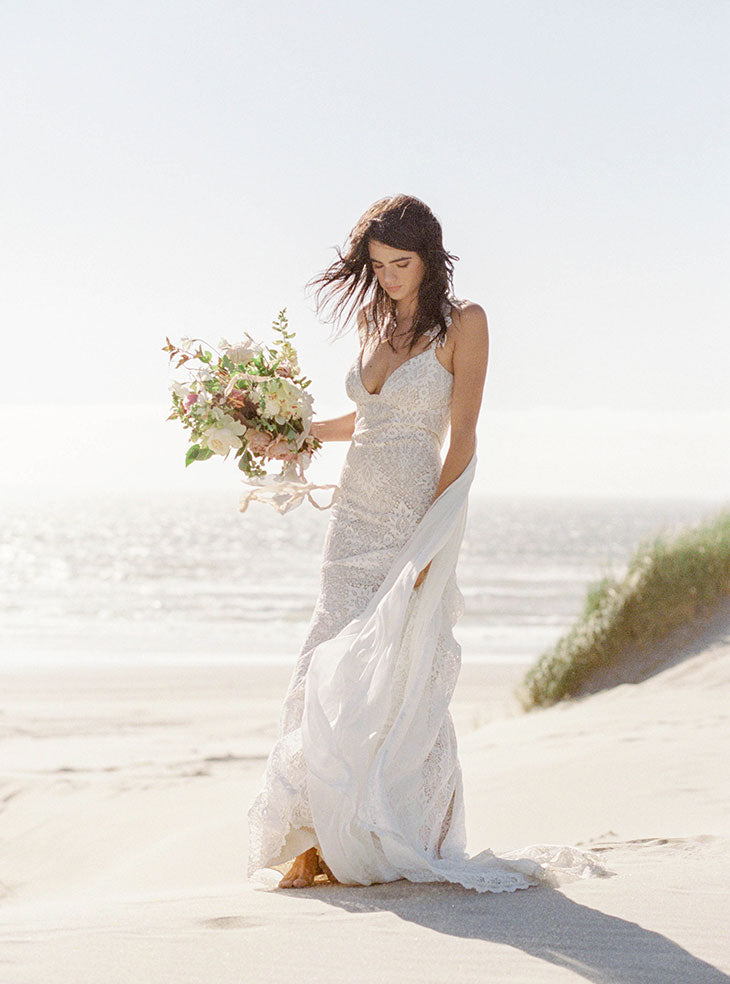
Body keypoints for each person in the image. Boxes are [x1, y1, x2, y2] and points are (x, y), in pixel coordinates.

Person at [246, 194, 609, 893]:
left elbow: (462, 431)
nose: (387, 277)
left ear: (430, 258)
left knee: (400, 675)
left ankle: (394, 832)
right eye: (377, 265)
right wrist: (290, 436)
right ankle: (320, 836)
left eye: (400, 264)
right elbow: (369, 417)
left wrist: (431, 541)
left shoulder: (463, 323)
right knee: (322, 669)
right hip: (351, 521)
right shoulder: (374, 317)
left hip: (411, 521)